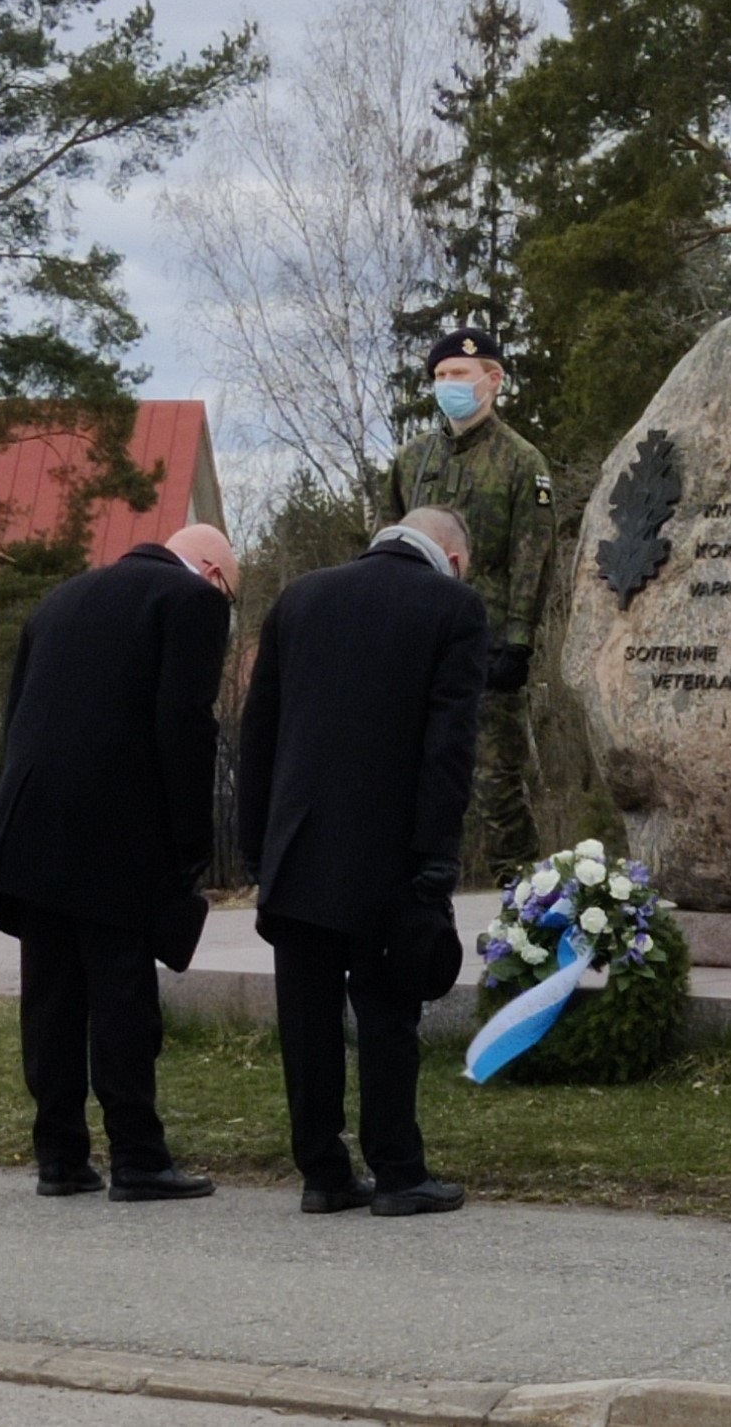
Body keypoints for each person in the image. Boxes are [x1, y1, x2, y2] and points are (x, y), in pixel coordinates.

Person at [0, 524, 239, 1201]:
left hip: (32, 817)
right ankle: (139, 1155)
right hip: (116, 824)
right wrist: (190, 845)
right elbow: (185, 725)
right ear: (212, 572)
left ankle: (59, 1155)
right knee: (121, 992)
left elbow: (17, 715)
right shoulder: (190, 600)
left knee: (52, 994)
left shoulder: (59, 599)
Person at [239, 507, 487, 1216]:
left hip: (298, 847)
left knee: (307, 1021)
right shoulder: (454, 607)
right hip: (389, 851)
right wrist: (436, 858)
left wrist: (258, 847)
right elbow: (448, 748)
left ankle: (323, 1172)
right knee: (386, 1014)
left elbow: (260, 732)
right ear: (455, 558)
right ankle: (399, 1170)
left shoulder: (300, 597)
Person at [384, 328, 554, 875]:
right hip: (413, 640)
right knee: (406, 777)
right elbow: (383, 544)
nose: (447, 385)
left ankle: (522, 910)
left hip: (487, 643)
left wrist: (519, 641)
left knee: (496, 781)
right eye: (439, 376)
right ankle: (408, 898)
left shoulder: (522, 461)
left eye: (458, 374)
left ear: (493, 380)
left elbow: (534, 554)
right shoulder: (413, 460)